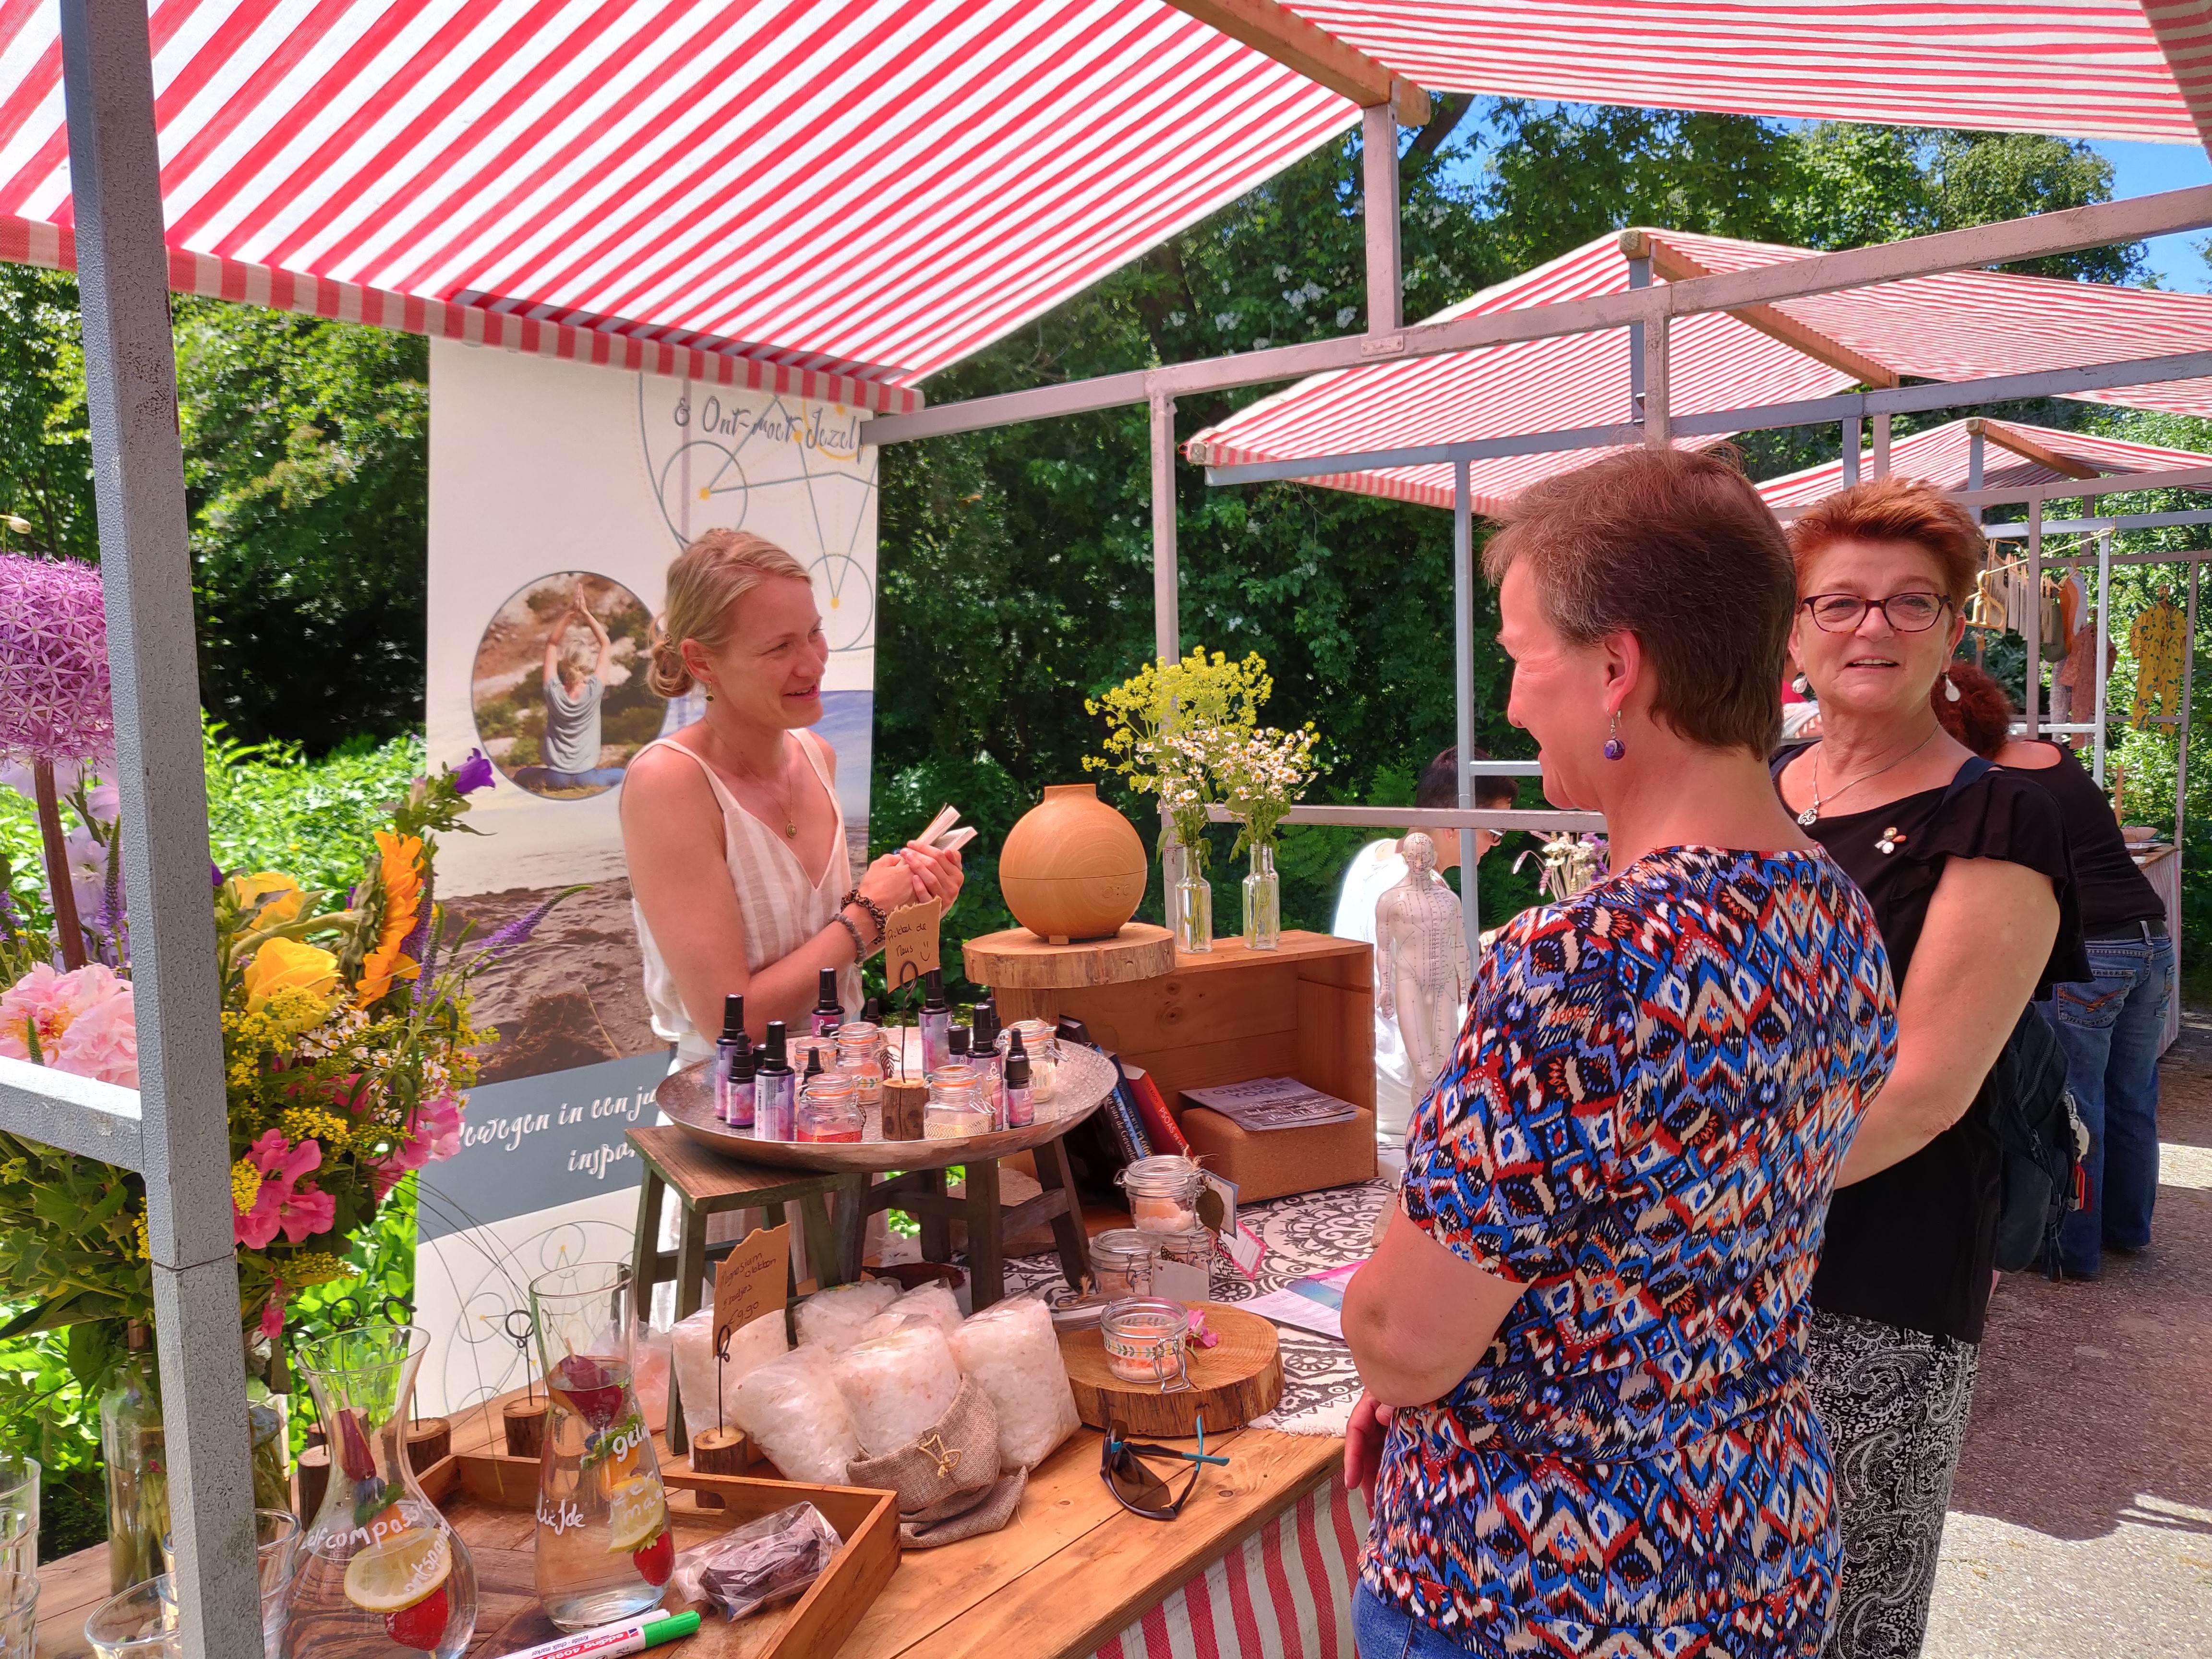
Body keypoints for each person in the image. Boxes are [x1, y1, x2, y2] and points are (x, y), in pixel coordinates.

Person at [1342, 447, 1897, 1659]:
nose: (1511, 698)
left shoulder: (1588, 956)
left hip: (1536, 1591)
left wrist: (1391, 1343)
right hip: (1756, 1550)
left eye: (1519, 651)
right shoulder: (1835, 913)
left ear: (1615, 667)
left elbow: (1403, 1333)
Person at [1774, 478, 2086, 1659]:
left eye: (1913, 605)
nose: (1872, 629)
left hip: (1878, 1268)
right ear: (1794, 626)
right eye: (1841, 601)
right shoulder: (1756, 784)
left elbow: (1923, 1088)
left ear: (1957, 631)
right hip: (1717, 1269)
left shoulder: (2000, 815)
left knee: (1845, 1601)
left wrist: (1703, 1200)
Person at [622, 530, 962, 1055]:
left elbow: (821, 964)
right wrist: (868, 914)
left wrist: (908, 910)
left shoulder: (818, 756)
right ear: (701, 661)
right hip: (731, 1114)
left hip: (840, 1098)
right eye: (780, 647)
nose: (813, 663)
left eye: (814, 633)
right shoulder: (669, 783)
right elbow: (732, 1025)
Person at [1933, 661, 2171, 1280]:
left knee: (2073, 1103)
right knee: (2130, 1097)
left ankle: (2072, 1248)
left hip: (2091, 952)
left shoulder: (1988, 783)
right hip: (2150, 941)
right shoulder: (2049, 756)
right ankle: (2126, 1231)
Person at [1330, 747, 1515, 1143]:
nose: (1496, 845)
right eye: (1494, 832)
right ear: (1453, 826)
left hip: (1354, 1075)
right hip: (1401, 1097)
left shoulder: (1373, 856)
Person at [540, 598, 627, 790]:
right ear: (587, 663)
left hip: (556, 777)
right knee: (624, 773)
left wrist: (570, 613)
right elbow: (605, 644)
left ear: (564, 663)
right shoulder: (594, 690)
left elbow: (552, 644)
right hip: (587, 776)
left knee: (523, 774)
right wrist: (586, 614)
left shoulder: (552, 690)